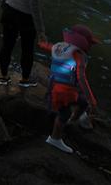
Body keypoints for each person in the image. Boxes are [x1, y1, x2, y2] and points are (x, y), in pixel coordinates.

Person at [42, 25, 100, 154]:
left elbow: (47, 46)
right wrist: (93, 100)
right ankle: (54, 138)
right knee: (64, 113)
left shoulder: (59, 46)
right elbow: (81, 77)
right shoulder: (79, 56)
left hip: (54, 85)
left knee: (82, 102)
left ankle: (71, 121)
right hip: (65, 91)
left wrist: (42, 42)